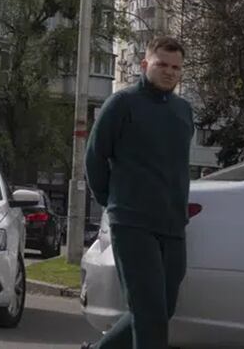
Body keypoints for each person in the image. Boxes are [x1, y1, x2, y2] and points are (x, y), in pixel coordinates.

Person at [82, 36, 194, 349]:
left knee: (161, 310)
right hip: (132, 224)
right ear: (145, 65)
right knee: (149, 315)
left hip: (173, 227)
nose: (169, 72)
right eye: (162, 65)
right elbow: (95, 157)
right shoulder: (122, 103)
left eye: (176, 67)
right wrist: (114, 202)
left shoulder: (184, 111)